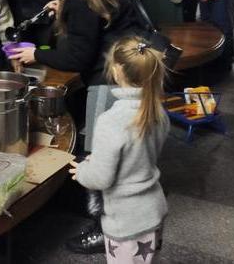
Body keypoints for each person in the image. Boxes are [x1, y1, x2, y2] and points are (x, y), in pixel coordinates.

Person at [8, 0, 147, 254]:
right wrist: (65, 7)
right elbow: (106, 10)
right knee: (126, 148)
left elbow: (77, 58)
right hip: (133, 62)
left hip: (110, 74)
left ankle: (102, 227)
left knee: (102, 150)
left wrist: (36, 54)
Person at [69, 35, 169, 264]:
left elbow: (100, 179)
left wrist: (82, 171)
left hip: (125, 221)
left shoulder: (111, 120)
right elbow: (140, 155)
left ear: (116, 71)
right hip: (153, 210)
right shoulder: (157, 111)